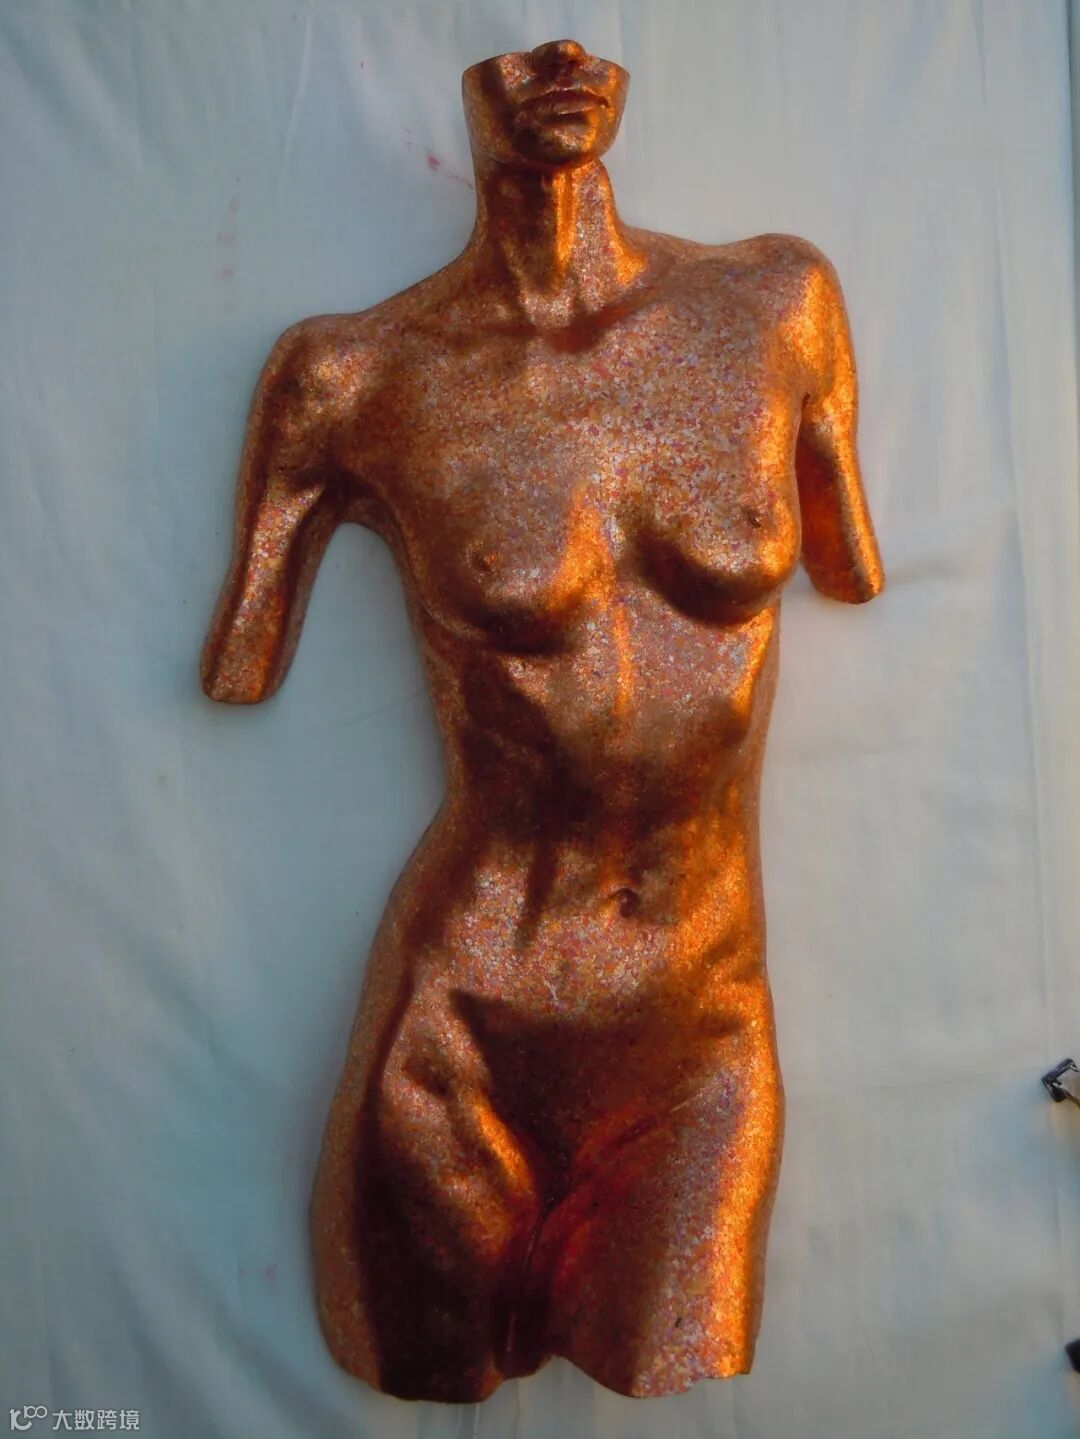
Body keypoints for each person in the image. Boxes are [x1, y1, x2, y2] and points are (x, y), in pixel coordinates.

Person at [201, 38, 883, 1402]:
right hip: (465, 1028)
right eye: (514, 46)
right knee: (417, 1379)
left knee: (678, 1357)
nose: (563, 57)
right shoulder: (353, 376)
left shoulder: (776, 305)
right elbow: (239, 663)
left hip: (702, 1027)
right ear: (467, 90)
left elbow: (846, 564)